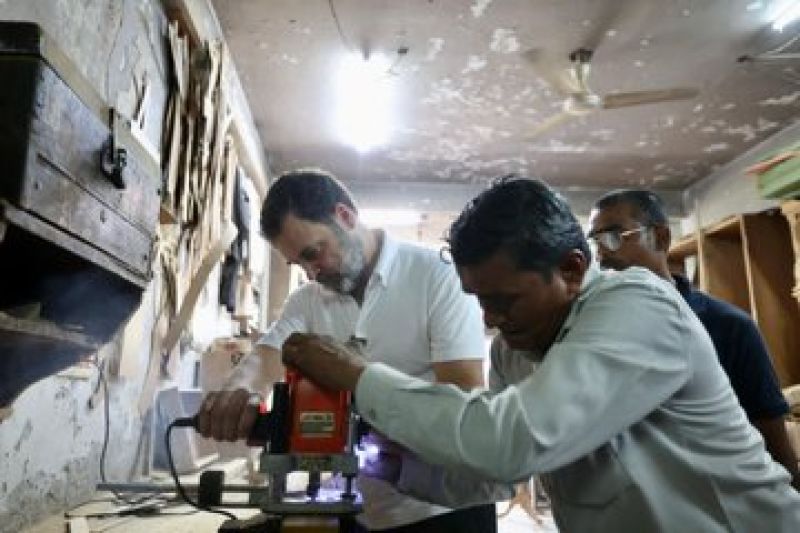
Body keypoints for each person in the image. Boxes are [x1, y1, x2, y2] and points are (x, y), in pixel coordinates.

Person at [282, 176, 800, 532]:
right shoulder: (517, 349)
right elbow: (496, 475)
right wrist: (399, 467)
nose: (490, 320)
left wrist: (359, 376)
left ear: (572, 269)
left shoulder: (639, 304)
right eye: (479, 300)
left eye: (504, 300)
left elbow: (513, 440)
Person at [197, 169, 500, 532]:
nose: (311, 273)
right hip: (360, 509)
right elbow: (266, 358)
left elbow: (462, 398)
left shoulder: (437, 276)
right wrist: (237, 393)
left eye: (313, 253)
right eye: (299, 264)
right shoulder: (308, 301)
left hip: (444, 511)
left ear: (344, 216)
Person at [588, 188, 799, 490]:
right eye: (595, 243)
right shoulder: (600, 332)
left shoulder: (728, 325)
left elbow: (771, 434)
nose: (602, 256)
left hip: (725, 495)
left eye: (614, 237)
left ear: (660, 237)